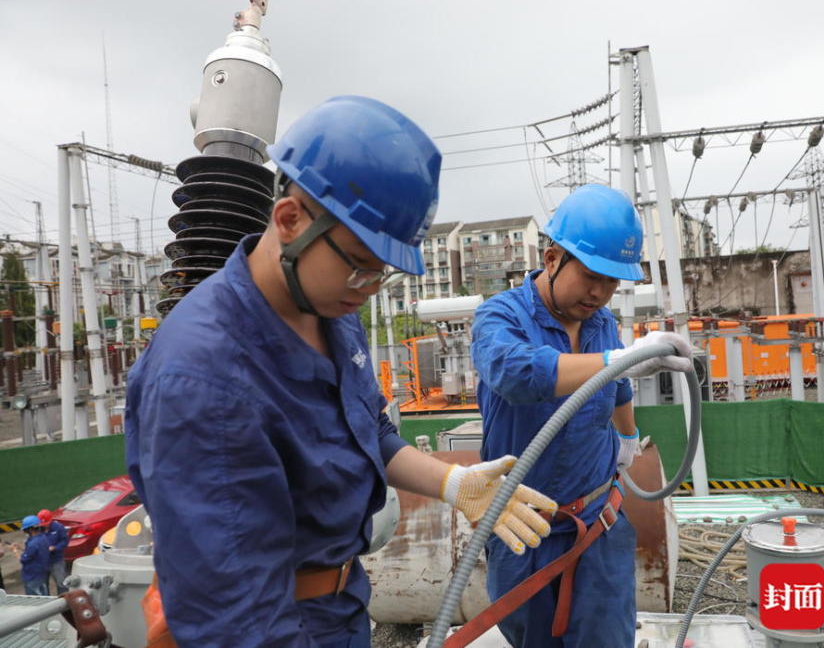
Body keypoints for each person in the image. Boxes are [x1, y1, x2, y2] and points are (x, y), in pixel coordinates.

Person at [125, 96, 557, 647]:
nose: (368, 290)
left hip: (339, 609)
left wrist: (454, 483)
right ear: (289, 220)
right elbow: (232, 617)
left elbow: (366, 431)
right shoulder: (203, 379)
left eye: (382, 274)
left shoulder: (329, 308)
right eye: (359, 267)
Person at [471, 184, 692, 647]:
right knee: (534, 640)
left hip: (596, 521)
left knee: (607, 638)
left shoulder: (601, 322)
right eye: (591, 275)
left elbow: (616, 387)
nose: (600, 292)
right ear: (552, 258)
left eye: (612, 282)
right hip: (523, 529)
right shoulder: (499, 317)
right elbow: (517, 374)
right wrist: (619, 359)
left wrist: (628, 440)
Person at [37, 509, 69, 594]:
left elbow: (65, 541)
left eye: (46, 523)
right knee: (42, 585)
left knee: (62, 583)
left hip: (56, 560)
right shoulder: (37, 529)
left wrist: (55, 548)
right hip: (42, 562)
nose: (45, 526)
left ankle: (63, 601)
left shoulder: (58, 528)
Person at [18, 515, 51, 596]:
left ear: (29, 529)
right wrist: (20, 547)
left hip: (32, 576)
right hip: (42, 574)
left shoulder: (33, 543)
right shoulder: (43, 538)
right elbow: (34, 552)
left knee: (35, 601)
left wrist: (15, 551)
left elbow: (23, 560)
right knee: (44, 596)